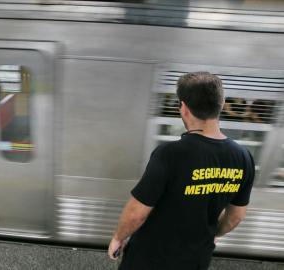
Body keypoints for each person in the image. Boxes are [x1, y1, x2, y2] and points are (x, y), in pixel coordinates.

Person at [108, 72, 255, 270]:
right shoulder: (243, 157)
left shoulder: (170, 153)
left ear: (184, 108)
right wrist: (214, 233)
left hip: (151, 258)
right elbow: (236, 216)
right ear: (220, 105)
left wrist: (118, 238)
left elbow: (137, 212)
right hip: (196, 259)